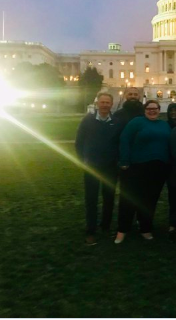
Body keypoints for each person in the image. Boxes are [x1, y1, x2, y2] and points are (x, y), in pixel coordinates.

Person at [115, 99, 171, 243]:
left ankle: (145, 228)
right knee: (129, 198)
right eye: (149, 108)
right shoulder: (137, 122)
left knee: (150, 200)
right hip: (137, 166)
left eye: (155, 108)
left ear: (159, 110)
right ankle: (122, 229)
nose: (152, 111)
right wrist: (124, 161)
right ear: (144, 110)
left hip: (159, 168)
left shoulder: (164, 125)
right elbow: (125, 139)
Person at [75, 92, 121, 246]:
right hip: (92, 167)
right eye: (102, 102)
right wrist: (83, 160)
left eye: (108, 102)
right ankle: (91, 231)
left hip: (110, 167)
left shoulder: (116, 121)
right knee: (91, 200)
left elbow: (120, 143)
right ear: (97, 104)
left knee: (109, 199)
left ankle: (105, 228)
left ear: (111, 104)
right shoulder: (88, 120)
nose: (105, 105)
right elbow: (79, 142)